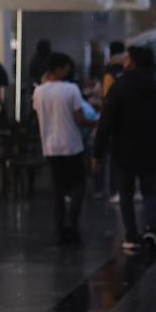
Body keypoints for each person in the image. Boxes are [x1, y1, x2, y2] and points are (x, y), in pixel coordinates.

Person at [95, 46, 156, 253]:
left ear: (134, 62)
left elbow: (107, 120)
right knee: (150, 191)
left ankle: (131, 236)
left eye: (128, 58)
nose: (125, 61)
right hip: (151, 149)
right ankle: (150, 230)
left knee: (126, 194)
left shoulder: (120, 87)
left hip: (123, 149)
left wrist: (98, 151)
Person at [32, 53, 94, 245]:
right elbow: (80, 119)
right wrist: (97, 122)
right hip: (72, 145)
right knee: (79, 184)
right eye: (66, 68)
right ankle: (72, 222)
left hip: (50, 146)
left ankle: (59, 229)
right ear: (58, 69)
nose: (68, 71)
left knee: (58, 190)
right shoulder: (71, 89)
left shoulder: (39, 92)